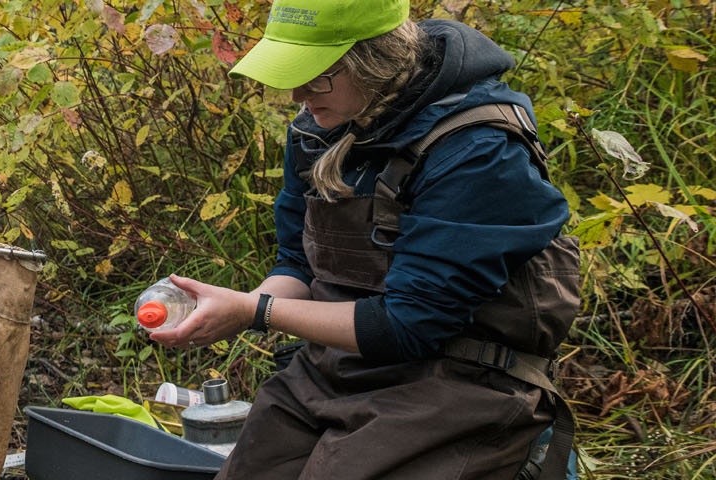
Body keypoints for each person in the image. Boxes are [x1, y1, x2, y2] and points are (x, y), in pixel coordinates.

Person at [149, 0, 580, 478]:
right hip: (336, 368)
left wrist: (256, 311)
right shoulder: (319, 130)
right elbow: (298, 265)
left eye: (315, 76)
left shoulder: (477, 148)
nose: (298, 95)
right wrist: (235, 308)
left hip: (459, 381)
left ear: (374, 60)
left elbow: (410, 325)